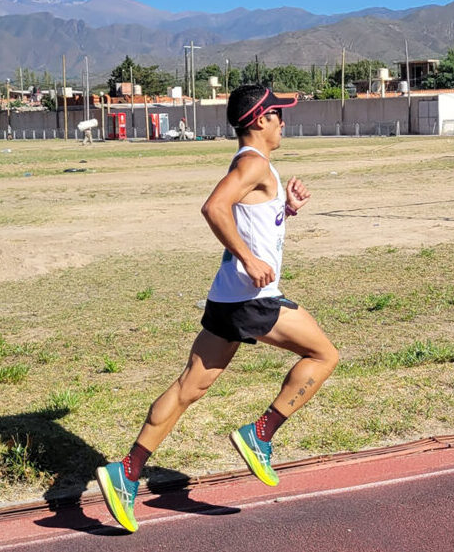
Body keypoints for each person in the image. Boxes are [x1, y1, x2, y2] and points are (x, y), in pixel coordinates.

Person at [95, 84, 339, 533]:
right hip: (252, 299)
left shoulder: (255, 166)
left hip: (227, 298)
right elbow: (214, 207)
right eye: (278, 115)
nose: (284, 122)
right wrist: (249, 258)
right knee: (325, 355)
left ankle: (126, 472)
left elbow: (250, 217)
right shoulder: (252, 163)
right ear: (261, 120)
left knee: (189, 387)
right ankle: (260, 434)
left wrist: (288, 209)